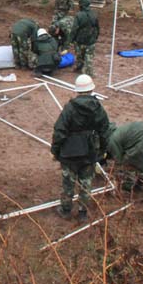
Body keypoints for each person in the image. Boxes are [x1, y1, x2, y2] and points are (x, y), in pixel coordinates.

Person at [50, 74, 110, 221]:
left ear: (77, 90)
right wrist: (102, 151)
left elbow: (60, 131)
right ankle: (83, 212)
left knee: (68, 182)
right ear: (91, 89)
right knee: (86, 183)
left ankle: (65, 210)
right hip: (89, 151)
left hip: (69, 152)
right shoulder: (98, 108)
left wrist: (55, 151)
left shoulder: (70, 108)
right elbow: (105, 131)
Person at [104, 121, 143, 193]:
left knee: (132, 162)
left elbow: (121, 160)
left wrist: (119, 170)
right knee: (140, 158)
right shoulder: (118, 132)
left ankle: (127, 188)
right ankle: (141, 179)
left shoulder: (112, 141)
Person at [71, 0, 99, 77]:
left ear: (81, 5)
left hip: (80, 41)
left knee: (80, 55)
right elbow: (97, 27)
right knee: (89, 56)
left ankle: (83, 69)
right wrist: (95, 37)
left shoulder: (78, 15)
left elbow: (74, 29)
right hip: (91, 40)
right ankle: (88, 70)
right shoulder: (94, 14)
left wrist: (70, 40)